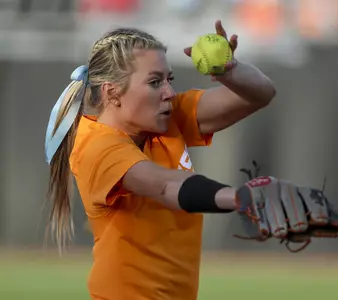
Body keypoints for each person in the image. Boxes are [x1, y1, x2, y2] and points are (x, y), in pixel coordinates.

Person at [44, 21, 283, 300]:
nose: (168, 92)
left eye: (170, 80)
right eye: (155, 82)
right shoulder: (95, 146)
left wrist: (231, 72)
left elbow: (261, 94)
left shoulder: (164, 119)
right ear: (112, 93)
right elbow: (166, 187)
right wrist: (239, 197)